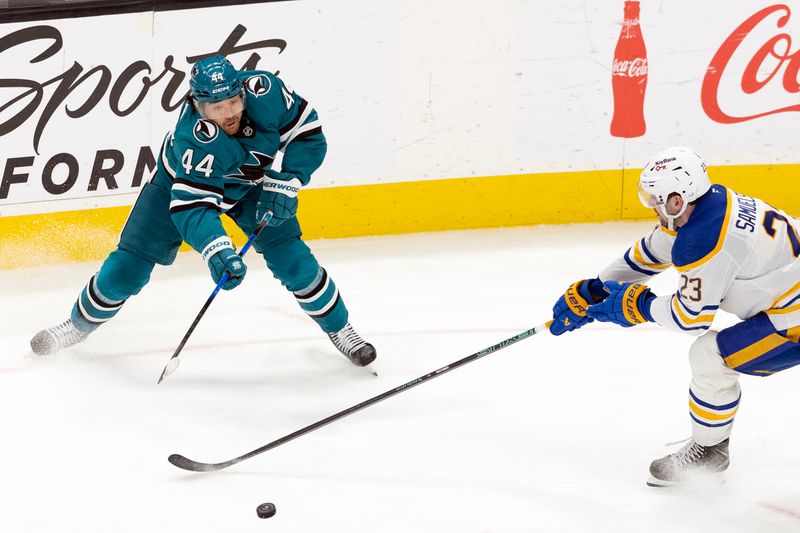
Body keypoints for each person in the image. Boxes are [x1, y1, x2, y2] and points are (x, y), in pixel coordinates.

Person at [30, 55, 377, 369]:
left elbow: (309, 134)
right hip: (177, 188)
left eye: (234, 101)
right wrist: (218, 250)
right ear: (197, 106)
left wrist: (289, 179)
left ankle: (342, 329)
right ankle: (75, 327)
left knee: (292, 258)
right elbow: (194, 208)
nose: (230, 113)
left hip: (252, 187)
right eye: (217, 107)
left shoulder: (265, 91)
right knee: (128, 268)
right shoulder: (194, 140)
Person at [549, 146, 800, 486]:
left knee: (710, 357)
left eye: (655, 199)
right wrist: (596, 289)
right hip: (789, 300)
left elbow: (691, 318)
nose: (652, 206)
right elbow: (652, 252)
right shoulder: (708, 206)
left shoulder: (705, 239)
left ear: (677, 199)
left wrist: (638, 305)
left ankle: (710, 453)